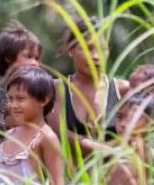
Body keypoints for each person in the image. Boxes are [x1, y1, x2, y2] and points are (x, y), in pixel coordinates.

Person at [47, 16, 130, 161]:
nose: (95, 56)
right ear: (70, 50)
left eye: (101, 49)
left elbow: (134, 135)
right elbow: (59, 133)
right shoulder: (57, 89)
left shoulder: (122, 90)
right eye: (87, 48)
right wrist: (106, 149)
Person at [0, 67, 62, 185]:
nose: (13, 105)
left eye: (20, 99)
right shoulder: (10, 134)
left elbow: (57, 182)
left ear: (43, 99)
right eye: (10, 99)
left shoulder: (45, 138)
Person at [0, 21, 41, 135]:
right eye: (28, 56)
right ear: (8, 57)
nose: (34, 63)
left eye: (36, 58)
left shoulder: (38, 88)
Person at [109, 93, 154, 185]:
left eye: (132, 117)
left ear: (152, 124)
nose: (123, 124)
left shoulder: (153, 160)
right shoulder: (108, 153)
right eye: (119, 117)